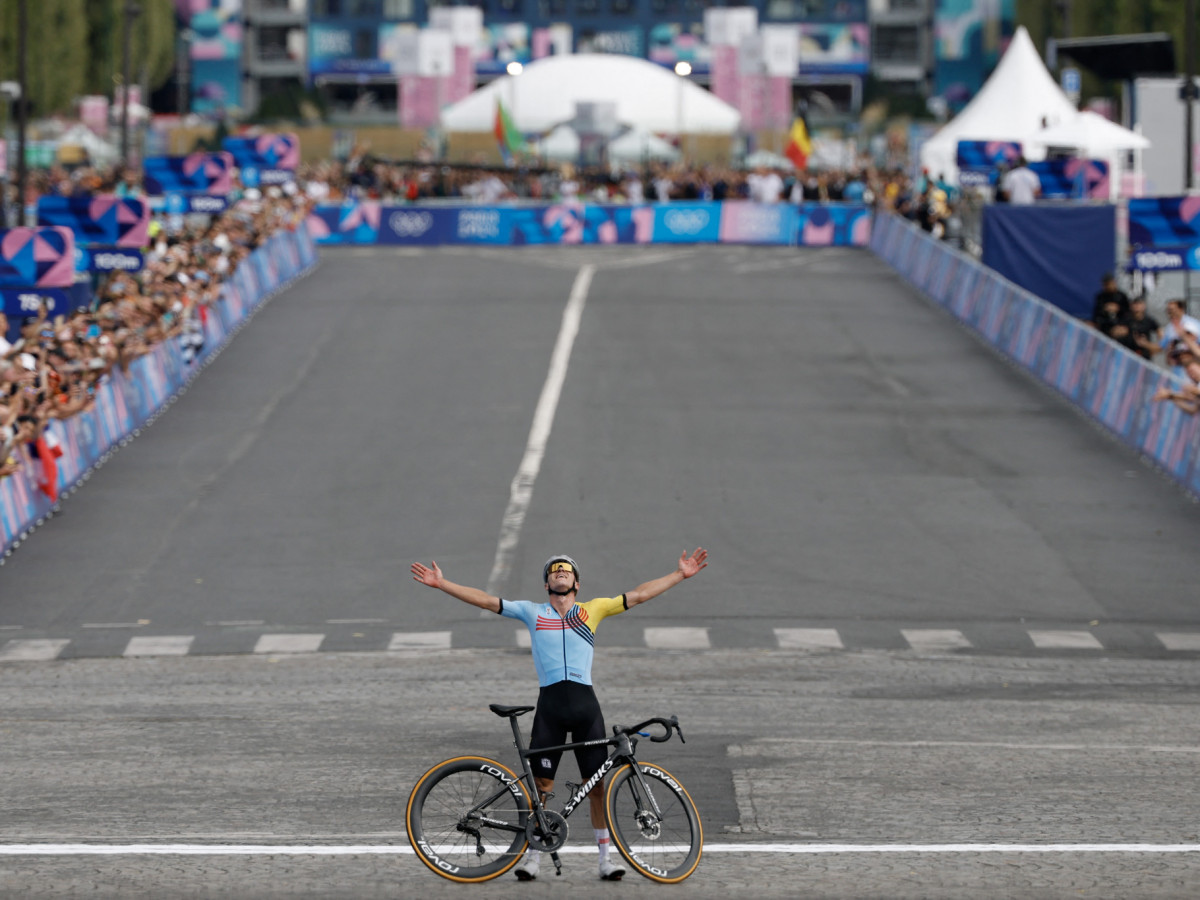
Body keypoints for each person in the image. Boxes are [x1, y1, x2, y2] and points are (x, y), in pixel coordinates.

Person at [410, 547, 709, 881]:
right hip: (550, 708)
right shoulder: (532, 611)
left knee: (596, 787)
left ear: (577, 584)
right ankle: (534, 858)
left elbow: (638, 595)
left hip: (586, 709)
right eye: (554, 570)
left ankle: (605, 861)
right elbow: (485, 600)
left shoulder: (592, 610)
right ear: (546, 584)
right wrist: (443, 583)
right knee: (541, 786)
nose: (560, 571)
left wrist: (680, 575)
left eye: (566, 570)